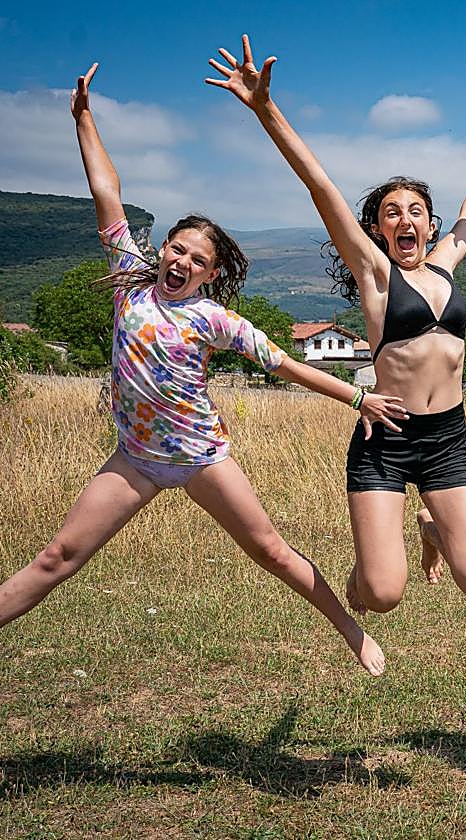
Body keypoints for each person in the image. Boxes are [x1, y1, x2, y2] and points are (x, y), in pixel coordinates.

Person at [0, 63, 404, 676]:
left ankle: (351, 630)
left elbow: (288, 366)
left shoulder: (216, 321)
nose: (182, 260)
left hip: (200, 456)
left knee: (269, 548)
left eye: (197, 258)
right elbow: (106, 190)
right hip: (134, 456)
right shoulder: (131, 286)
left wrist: (358, 399)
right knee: (58, 556)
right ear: (161, 249)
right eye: (176, 248)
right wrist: (83, 118)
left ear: (212, 274)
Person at [208, 36, 466, 613]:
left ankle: (432, 528)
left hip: (447, 438)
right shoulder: (376, 275)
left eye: (416, 210)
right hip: (385, 442)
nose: (406, 219)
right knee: (382, 594)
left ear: (428, 221)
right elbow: (321, 186)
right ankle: (362, 577)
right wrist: (267, 110)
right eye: (392, 212)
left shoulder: (444, 262)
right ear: (378, 229)